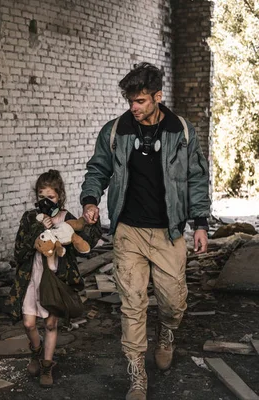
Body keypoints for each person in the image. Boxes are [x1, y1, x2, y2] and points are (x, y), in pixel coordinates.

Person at [80, 63, 210, 400]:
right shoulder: (115, 132)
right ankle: (137, 372)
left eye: (140, 101)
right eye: (130, 101)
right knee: (132, 304)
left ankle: (167, 330)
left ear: (157, 97)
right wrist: (91, 200)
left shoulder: (182, 131)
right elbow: (98, 170)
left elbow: (196, 177)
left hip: (169, 233)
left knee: (173, 302)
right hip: (128, 232)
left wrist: (200, 223)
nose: (134, 108)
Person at [8, 169, 101, 388]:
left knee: (50, 324)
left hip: (56, 278)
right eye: (42, 197)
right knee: (29, 323)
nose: (46, 202)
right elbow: (19, 252)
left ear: (59, 196)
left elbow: (85, 245)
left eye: (50, 197)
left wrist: (92, 220)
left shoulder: (67, 218)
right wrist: (39, 228)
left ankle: (47, 366)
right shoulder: (30, 218)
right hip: (32, 278)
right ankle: (36, 352)